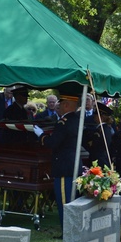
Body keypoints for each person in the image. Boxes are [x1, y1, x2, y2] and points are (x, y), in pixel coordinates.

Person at [37, 89, 83, 232]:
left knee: (65, 201)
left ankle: (67, 231)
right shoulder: (77, 120)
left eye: (62, 103)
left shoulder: (63, 122)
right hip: (73, 163)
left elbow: (53, 143)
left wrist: (41, 135)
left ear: (67, 105)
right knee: (72, 199)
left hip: (64, 165)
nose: (59, 106)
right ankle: (72, 228)